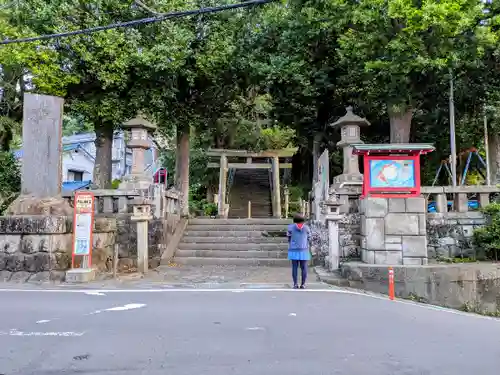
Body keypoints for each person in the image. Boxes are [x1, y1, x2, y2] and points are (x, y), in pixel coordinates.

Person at [287, 214, 310, 289]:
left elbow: (288, 238)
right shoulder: (306, 228)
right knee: (304, 268)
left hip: (293, 250)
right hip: (304, 250)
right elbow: (310, 238)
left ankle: (295, 284)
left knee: (294, 267)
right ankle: (303, 284)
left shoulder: (290, 227)